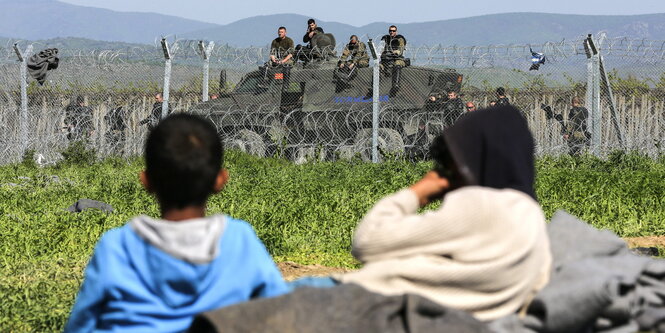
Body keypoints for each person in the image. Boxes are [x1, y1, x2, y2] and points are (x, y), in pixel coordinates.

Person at [65, 114, 288, 332]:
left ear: (146, 181)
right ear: (220, 181)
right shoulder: (240, 240)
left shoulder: (117, 246)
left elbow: (82, 324)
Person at [337, 105, 552, 321]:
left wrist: (420, 191)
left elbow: (367, 241)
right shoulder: (532, 216)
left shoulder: (481, 206)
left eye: (453, 163)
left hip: (370, 303)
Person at [381, 25, 407, 96]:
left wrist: (397, 51)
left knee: (397, 64)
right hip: (388, 59)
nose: (391, 32)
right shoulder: (387, 39)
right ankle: (374, 87)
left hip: (398, 58)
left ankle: (396, 85)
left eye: (393, 31)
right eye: (390, 31)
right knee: (379, 66)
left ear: (396, 31)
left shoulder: (399, 39)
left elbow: (401, 47)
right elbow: (385, 49)